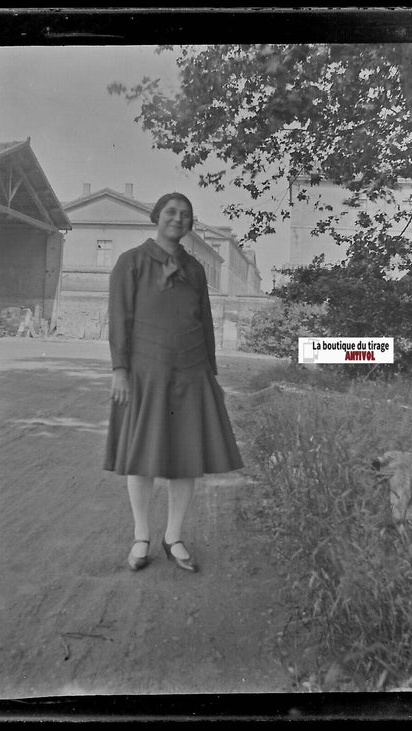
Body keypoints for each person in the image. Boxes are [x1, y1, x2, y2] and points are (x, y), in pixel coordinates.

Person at [104, 192, 243, 573]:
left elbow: (206, 324)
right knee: (142, 455)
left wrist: (210, 374)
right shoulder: (130, 263)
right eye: (170, 212)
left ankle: (174, 536)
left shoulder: (196, 270)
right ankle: (141, 536)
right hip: (145, 373)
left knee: (186, 458)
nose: (178, 219)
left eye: (185, 215)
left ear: (191, 223)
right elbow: (120, 320)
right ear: (156, 216)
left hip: (191, 372)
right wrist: (120, 370)